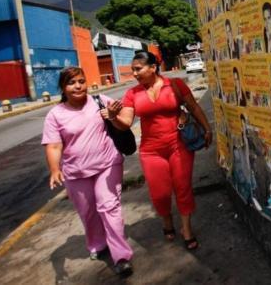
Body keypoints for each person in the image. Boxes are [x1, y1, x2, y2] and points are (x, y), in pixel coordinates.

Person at [116, 51, 212, 251]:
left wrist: (207, 128)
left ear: (153, 68)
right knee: (160, 193)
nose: (134, 73)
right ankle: (167, 221)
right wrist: (112, 117)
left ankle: (186, 229)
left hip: (179, 145)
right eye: (133, 70)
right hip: (151, 151)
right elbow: (125, 123)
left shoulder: (175, 85)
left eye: (138, 69)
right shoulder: (132, 94)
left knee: (183, 187)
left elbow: (193, 107)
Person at [42, 67, 133, 277]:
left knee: (109, 207)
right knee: (88, 212)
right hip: (76, 172)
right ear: (63, 87)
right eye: (71, 83)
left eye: (81, 81)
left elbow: (125, 117)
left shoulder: (100, 100)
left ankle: (121, 256)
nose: (78, 86)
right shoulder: (55, 115)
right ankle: (98, 244)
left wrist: (114, 116)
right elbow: (54, 146)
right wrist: (55, 169)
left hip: (107, 164)